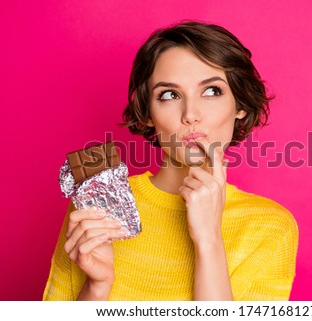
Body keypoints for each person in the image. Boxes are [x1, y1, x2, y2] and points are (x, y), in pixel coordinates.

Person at [43, 21, 298, 301]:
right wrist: (97, 286)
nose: (190, 114)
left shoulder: (271, 227)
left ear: (239, 105)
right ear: (148, 112)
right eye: (169, 95)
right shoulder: (97, 209)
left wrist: (209, 241)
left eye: (212, 91)